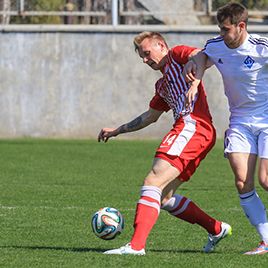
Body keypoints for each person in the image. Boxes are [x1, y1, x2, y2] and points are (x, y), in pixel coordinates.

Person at [98, 31, 231, 255]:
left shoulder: (176, 55)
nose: (145, 60)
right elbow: (150, 117)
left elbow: (201, 55)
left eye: (147, 53)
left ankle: (136, 246)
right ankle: (216, 228)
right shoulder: (163, 85)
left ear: (161, 45)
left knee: (153, 181)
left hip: (193, 126)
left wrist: (195, 82)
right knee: (165, 197)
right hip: (196, 132)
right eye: (141, 56)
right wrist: (117, 130)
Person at [184, 2, 268, 255]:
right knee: (243, 181)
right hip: (240, 121)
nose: (222, 34)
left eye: (226, 29)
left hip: (267, 119)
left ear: (241, 26)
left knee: (266, 179)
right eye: (219, 29)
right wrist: (195, 69)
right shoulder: (217, 45)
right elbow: (203, 55)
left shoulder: (261, 47)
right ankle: (267, 240)